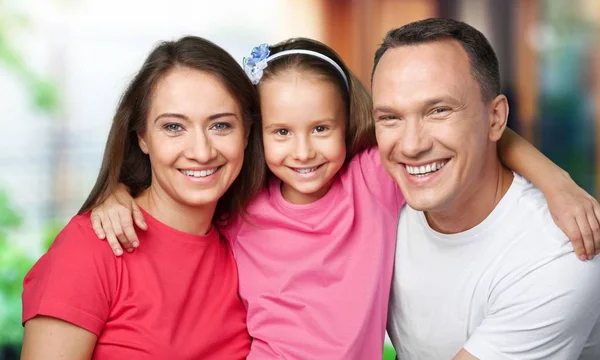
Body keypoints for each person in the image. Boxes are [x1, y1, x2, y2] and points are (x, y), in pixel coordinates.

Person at [88, 37, 600, 359]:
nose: (304, 151)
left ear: (347, 123)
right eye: (281, 132)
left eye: (321, 129)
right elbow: (176, 193)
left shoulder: (371, 181)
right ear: (256, 135)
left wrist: (557, 181)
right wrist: (117, 193)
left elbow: (477, 134)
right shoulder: (241, 206)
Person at [20, 36, 261, 359]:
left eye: (220, 125)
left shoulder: (249, 246)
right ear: (143, 138)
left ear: (246, 133)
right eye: (174, 127)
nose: (201, 152)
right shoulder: (92, 246)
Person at [372, 18, 600, 359]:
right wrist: (554, 176)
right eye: (390, 117)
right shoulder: (375, 190)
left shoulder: (558, 255)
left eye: (439, 111)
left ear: (496, 118)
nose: (411, 144)